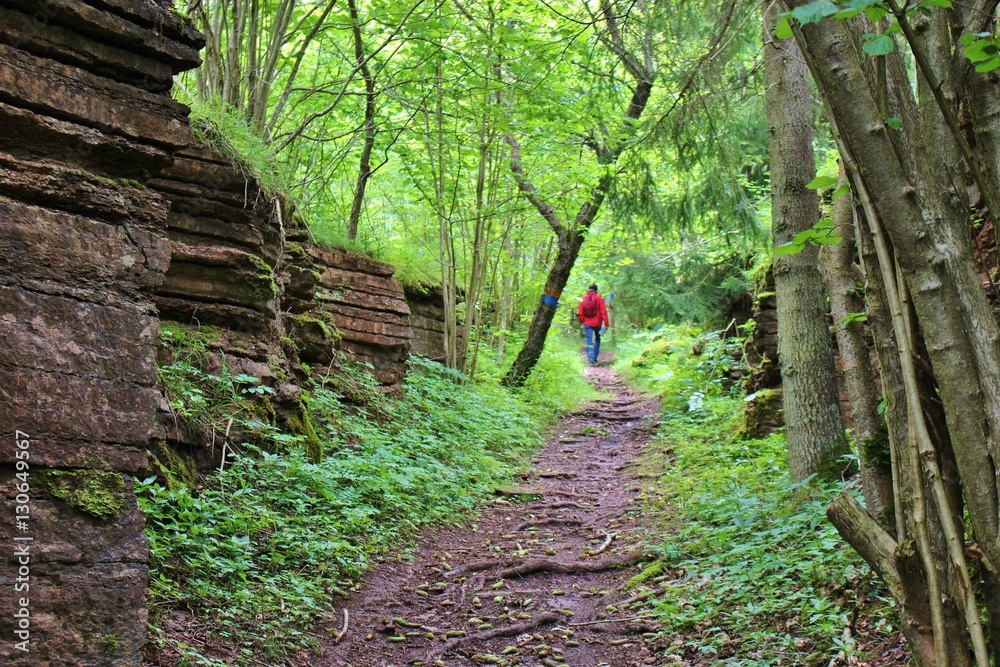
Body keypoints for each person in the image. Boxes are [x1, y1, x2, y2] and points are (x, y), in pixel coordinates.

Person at [577, 284, 610, 365]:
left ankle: (591, 359)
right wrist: (606, 323)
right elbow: (603, 312)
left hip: (587, 323)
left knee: (589, 341)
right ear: (596, 290)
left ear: (589, 289)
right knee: (597, 339)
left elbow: (580, 312)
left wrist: (582, 321)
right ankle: (595, 357)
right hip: (598, 323)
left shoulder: (582, 299)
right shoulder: (600, 298)